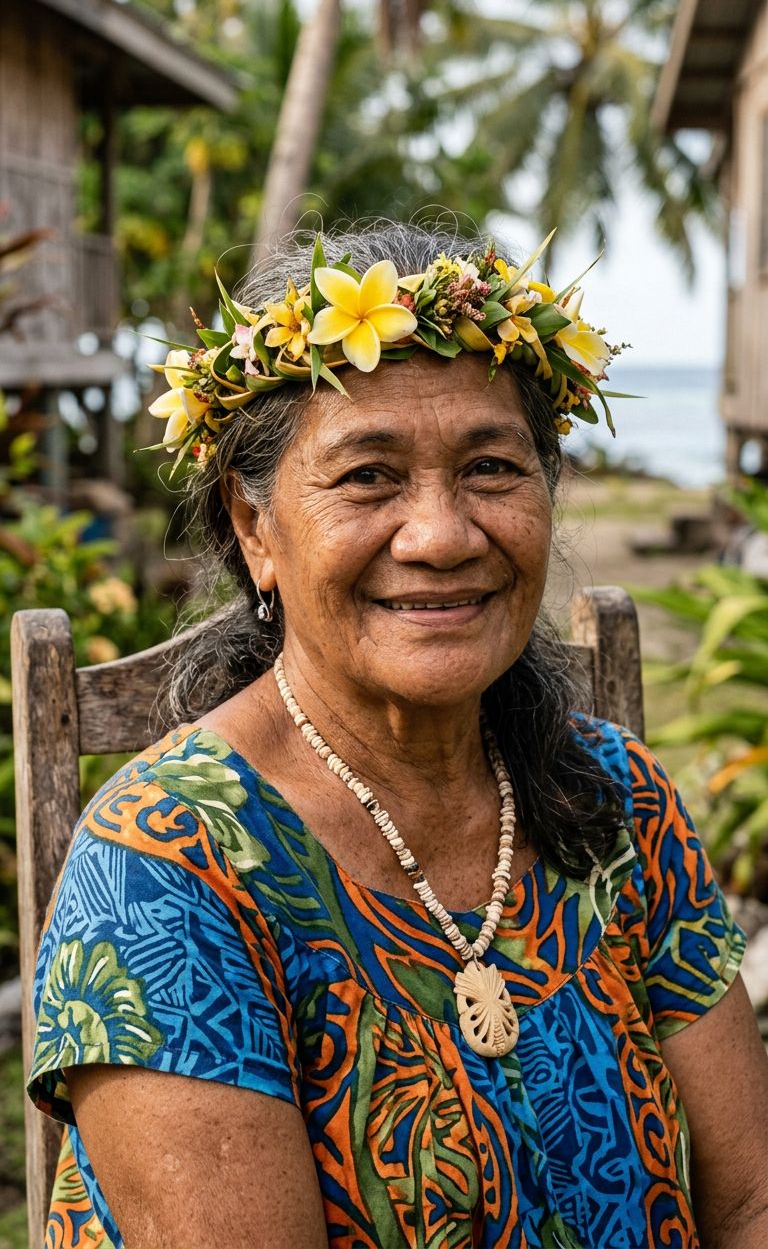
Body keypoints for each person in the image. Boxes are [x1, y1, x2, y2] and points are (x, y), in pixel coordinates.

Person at [27, 222, 768, 1249]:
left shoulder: (619, 799)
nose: (442, 535)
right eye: (368, 475)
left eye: (491, 467)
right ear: (255, 528)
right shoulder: (166, 869)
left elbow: (750, 1202)